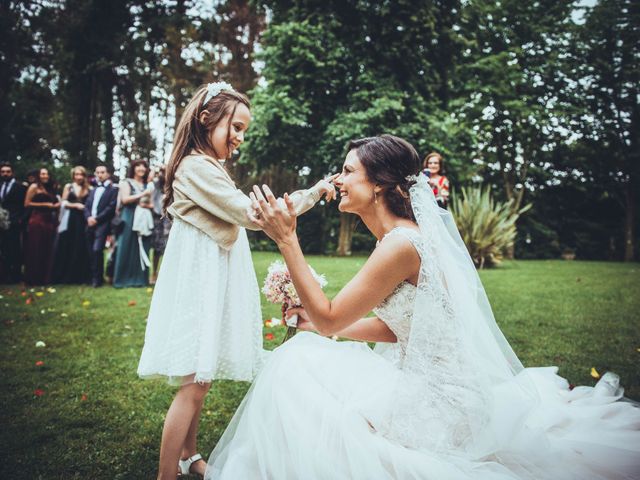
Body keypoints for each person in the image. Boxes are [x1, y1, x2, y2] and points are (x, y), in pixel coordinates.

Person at [206, 134, 640, 479]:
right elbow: (397, 329)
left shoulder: (400, 244)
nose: (336, 180)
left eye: (347, 171)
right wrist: (316, 326)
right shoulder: (400, 239)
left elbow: (331, 315)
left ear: (377, 183)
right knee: (309, 356)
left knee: (295, 366)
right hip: (429, 381)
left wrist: (287, 240)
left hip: (440, 403)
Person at [136, 82, 335, 480]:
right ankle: (165, 475)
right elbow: (254, 214)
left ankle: (188, 457)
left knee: (201, 377)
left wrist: (310, 194)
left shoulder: (210, 167)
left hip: (211, 279)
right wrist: (312, 193)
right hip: (199, 285)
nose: (240, 138)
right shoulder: (195, 166)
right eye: (237, 127)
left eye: (245, 130)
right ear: (206, 118)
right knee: (194, 383)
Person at [112, 159, 153, 288]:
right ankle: (122, 279)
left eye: (144, 167)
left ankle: (140, 279)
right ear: (133, 168)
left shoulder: (148, 185)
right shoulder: (126, 182)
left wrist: (146, 205)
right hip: (129, 216)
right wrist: (142, 195)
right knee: (126, 245)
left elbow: (151, 203)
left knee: (142, 245)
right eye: (138, 166)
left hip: (144, 217)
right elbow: (124, 199)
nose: (141, 169)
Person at [51, 166, 91, 284]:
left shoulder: (89, 188)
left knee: (81, 245)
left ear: (84, 176)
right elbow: (63, 202)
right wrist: (75, 206)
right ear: (73, 176)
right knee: (67, 244)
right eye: (76, 174)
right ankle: (64, 275)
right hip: (70, 218)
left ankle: (80, 276)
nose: (78, 177)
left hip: (82, 219)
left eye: (81, 174)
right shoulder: (68, 187)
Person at [23, 167, 59, 285]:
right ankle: (33, 278)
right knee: (36, 247)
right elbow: (27, 204)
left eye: (47, 174)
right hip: (37, 219)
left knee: (47, 248)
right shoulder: (34, 187)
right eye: (43, 174)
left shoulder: (50, 188)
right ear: (38, 175)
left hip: (49, 220)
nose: (45, 176)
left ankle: (45, 278)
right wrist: (45, 204)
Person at [84, 164, 118, 288]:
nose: (100, 174)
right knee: (90, 251)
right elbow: (86, 206)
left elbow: (111, 207)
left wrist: (96, 219)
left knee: (97, 250)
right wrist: (88, 217)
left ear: (107, 174)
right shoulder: (93, 189)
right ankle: (93, 277)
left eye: (102, 172)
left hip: (103, 224)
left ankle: (98, 280)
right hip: (89, 223)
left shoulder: (113, 190)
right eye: (97, 172)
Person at [0, 162, 27, 283]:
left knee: (15, 249)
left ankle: (16, 275)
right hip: (1, 224)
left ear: (12, 173)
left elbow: (25, 206)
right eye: (3, 172)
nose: (5, 174)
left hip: (15, 222)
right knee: (3, 249)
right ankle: (4, 275)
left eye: (8, 172)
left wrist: (20, 219)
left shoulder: (20, 187)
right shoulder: (1, 186)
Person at [149, 166, 171, 285]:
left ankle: (166, 276)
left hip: (170, 220)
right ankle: (154, 273)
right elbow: (150, 179)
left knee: (169, 247)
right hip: (158, 219)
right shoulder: (157, 185)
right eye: (163, 172)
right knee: (157, 249)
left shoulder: (174, 184)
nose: (164, 174)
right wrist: (157, 169)